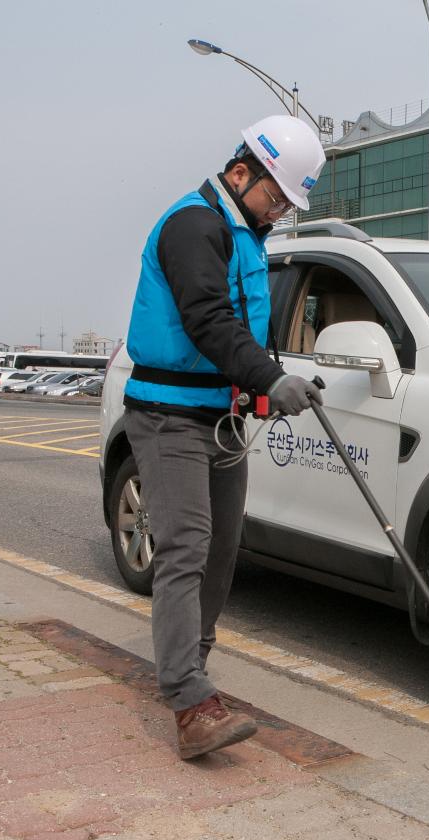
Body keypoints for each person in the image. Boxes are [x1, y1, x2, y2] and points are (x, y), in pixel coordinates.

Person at [122, 115, 326, 760]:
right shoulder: (193, 225)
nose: (279, 213)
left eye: (290, 205)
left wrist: (263, 388)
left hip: (220, 416)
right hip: (167, 416)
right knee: (186, 546)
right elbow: (207, 318)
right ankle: (189, 698)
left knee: (221, 550)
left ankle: (193, 669)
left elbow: (244, 326)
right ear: (242, 172)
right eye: (276, 198)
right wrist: (269, 373)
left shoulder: (246, 234)